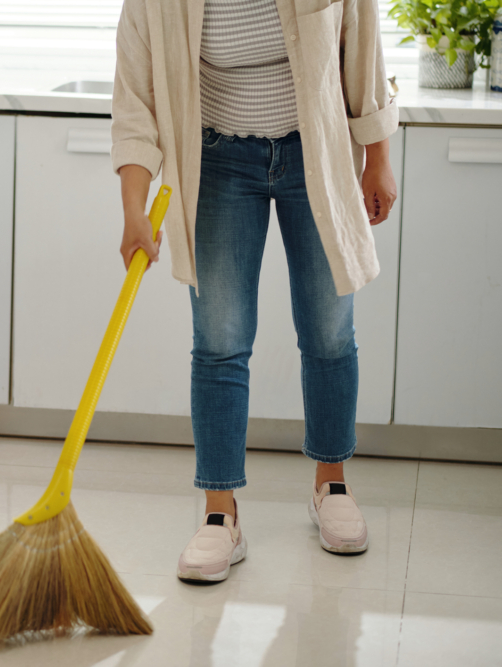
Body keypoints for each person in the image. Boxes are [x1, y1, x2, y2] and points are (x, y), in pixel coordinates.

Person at [112, 0, 397, 581]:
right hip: (217, 161)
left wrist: (378, 159)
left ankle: (331, 485)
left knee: (328, 329)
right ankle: (221, 514)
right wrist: (133, 209)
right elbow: (135, 101)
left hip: (314, 150)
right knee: (219, 339)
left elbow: (361, 45)